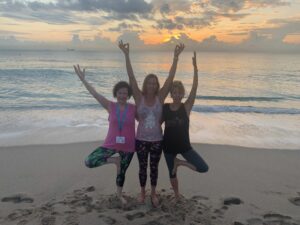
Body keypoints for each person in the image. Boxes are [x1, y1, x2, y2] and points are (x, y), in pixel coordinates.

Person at [119, 40, 184, 207]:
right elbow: (131, 76)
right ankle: (142, 193)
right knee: (142, 168)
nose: (152, 84)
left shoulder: (160, 97)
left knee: (154, 168)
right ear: (145, 84)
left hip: (156, 140)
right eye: (149, 82)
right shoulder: (139, 97)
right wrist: (126, 55)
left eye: (154, 83)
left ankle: (153, 193)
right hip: (140, 140)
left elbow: (170, 79)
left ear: (157, 86)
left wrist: (175, 58)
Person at [73, 65, 136, 205]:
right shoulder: (110, 106)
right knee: (89, 161)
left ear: (128, 94)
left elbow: (145, 118)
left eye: (125, 93)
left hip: (128, 146)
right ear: (116, 93)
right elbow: (95, 94)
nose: (122, 95)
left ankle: (119, 194)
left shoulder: (133, 108)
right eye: (120, 93)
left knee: (122, 173)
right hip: (111, 144)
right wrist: (84, 80)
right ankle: (115, 161)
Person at [162, 52, 209, 199]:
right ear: (171, 94)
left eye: (179, 92)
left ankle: (179, 163)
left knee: (203, 167)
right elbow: (156, 124)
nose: (176, 95)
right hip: (168, 147)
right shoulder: (165, 108)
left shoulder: (186, 107)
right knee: (172, 173)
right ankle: (176, 194)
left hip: (185, 147)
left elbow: (194, 88)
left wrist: (195, 69)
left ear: (182, 94)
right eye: (174, 92)